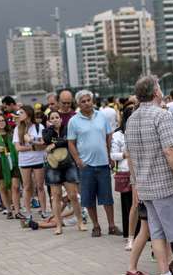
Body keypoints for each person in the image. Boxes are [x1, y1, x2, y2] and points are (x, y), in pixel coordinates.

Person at [125, 76, 173, 275]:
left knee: (158, 232)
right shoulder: (162, 116)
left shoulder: (131, 119)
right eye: (159, 87)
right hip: (166, 184)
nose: (161, 90)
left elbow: (130, 156)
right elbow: (170, 151)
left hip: (145, 186)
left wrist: (136, 183)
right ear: (155, 92)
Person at [67, 90, 120, 237]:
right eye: (83, 101)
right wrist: (78, 160)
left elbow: (109, 136)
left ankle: (111, 226)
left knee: (107, 198)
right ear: (78, 103)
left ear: (92, 101)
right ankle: (96, 226)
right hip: (86, 166)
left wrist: (110, 155)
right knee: (89, 198)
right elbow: (71, 143)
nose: (86, 103)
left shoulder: (101, 116)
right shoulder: (74, 121)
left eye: (88, 100)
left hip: (103, 163)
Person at [43, 110, 85, 235]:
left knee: (72, 195)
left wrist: (54, 145)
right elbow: (46, 140)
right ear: (49, 120)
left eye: (57, 117)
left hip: (68, 165)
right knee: (55, 196)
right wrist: (52, 129)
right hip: (53, 165)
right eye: (52, 118)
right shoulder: (46, 131)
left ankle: (80, 221)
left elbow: (68, 141)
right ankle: (58, 224)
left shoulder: (67, 129)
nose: (55, 119)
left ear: (61, 119)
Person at [14, 106, 47, 219]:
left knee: (40, 186)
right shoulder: (18, 128)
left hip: (38, 159)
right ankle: (28, 211)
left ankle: (43, 210)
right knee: (27, 187)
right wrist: (33, 148)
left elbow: (43, 143)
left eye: (21, 112)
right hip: (24, 161)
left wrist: (31, 141)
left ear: (28, 113)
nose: (19, 114)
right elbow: (18, 148)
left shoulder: (39, 126)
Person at [0, 114, 21, 218]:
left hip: (13, 161)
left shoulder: (11, 134)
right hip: (1, 163)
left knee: (15, 187)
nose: (1, 122)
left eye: (3, 120)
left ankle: (17, 210)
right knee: (3, 188)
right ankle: (8, 210)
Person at [111, 105, 135, 244]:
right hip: (125, 172)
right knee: (127, 204)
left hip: (140, 171)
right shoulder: (118, 135)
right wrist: (124, 154)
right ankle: (128, 233)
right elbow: (113, 154)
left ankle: (142, 232)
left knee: (140, 204)